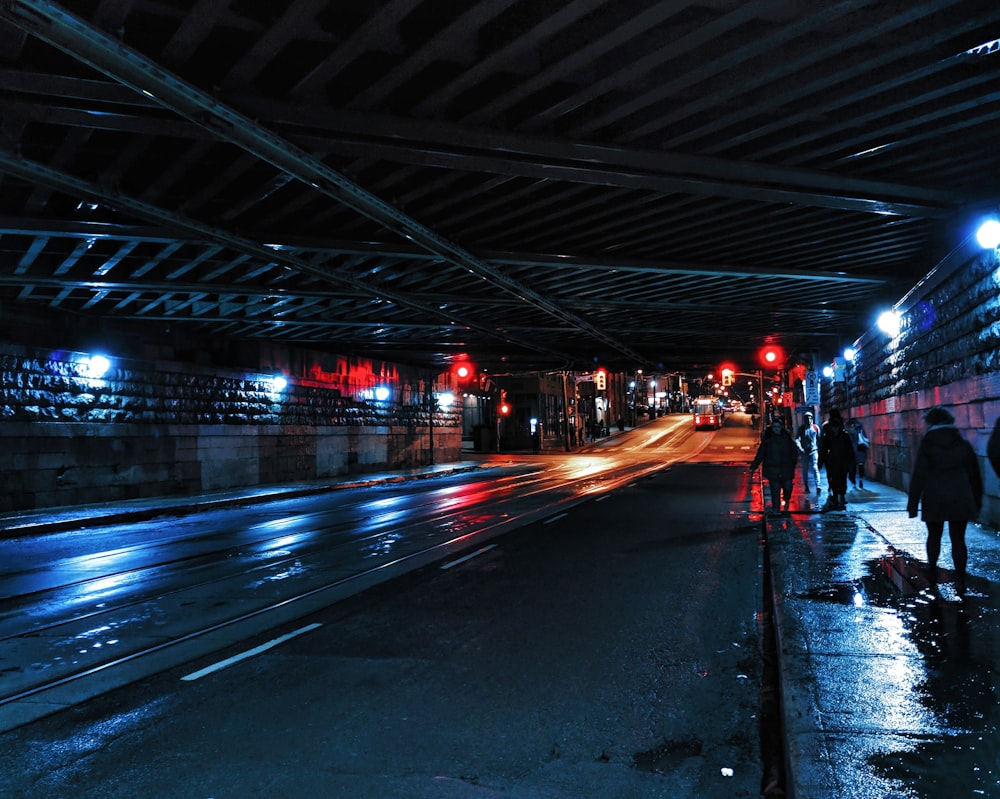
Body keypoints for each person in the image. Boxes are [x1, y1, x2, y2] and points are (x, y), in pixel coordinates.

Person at [906, 406, 982, 595]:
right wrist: (976, 502)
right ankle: (961, 580)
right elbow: (975, 475)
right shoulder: (962, 444)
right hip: (959, 496)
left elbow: (919, 474)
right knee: (958, 540)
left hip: (934, 496)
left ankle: (932, 571)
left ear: (930, 422)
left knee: (934, 536)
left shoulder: (927, 444)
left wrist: (913, 503)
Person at [750, 417, 799, 516]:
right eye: (774, 427)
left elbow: (794, 452)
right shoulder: (768, 441)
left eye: (778, 427)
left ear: (781, 427)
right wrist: (754, 466)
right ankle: (776, 508)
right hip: (773, 469)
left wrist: (792, 463)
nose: (776, 429)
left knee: (788, 487)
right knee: (775, 490)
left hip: (786, 469)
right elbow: (761, 454)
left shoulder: (787, 439)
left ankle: (786, 498)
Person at [817, 408, 855, 510]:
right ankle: (837, 496)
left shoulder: (842, 435)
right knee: (836, 480)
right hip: (834, 461)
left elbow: (849, 450)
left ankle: (839, 496)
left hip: (840, 461)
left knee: (841, 479)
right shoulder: (831, 435)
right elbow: (824, 449)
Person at [795, 411, 821, 495]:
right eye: (807, 418)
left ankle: (818, 485)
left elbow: (819, 439)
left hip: (813, 451)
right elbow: (797, 440)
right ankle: (806, 486)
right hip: (804, 452)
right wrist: (801, 448)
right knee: (805, 469)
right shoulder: (801, 429)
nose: (808, 420)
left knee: (815, 468)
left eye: (810, 418)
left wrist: (819, 449)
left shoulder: (815, 428)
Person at [845, 416, 870, 489]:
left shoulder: (848, 430)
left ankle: (853, 482)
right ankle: (861, 479)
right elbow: (865, 439)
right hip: (860, 450)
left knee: (852, 468)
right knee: (861, 466)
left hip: (852, 452)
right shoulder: (860, 429)